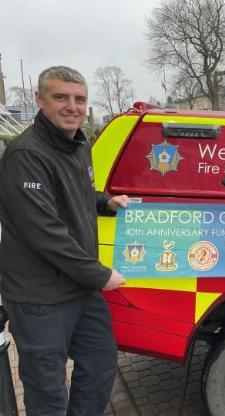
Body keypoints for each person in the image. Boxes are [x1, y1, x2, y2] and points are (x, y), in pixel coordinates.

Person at [0, 66, 129, 415]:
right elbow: (44, 232)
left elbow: (76, 193)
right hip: (40, 297)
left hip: (78, 288)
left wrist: (105, 202)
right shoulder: (27, 155)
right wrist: (100, 275)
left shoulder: (76, 144)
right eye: (61, 97)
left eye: (79, 99)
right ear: (40, 100)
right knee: (47, 392)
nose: (72, 106)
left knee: (101, 366)